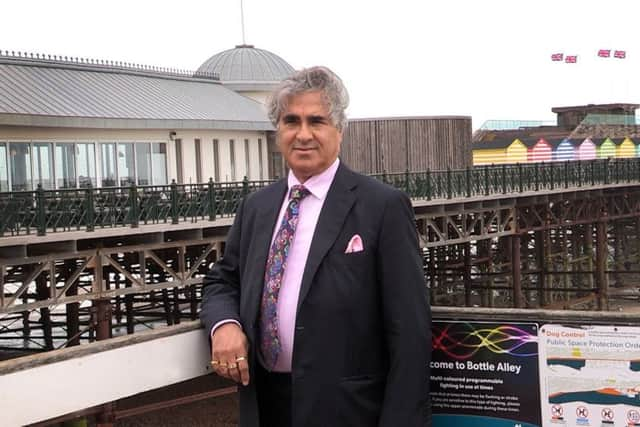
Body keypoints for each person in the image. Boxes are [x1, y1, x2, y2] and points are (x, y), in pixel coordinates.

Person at [200, 66, 431, 426]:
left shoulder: (381, 207)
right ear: (278, 130)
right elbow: (223, 280)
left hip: (346, 410)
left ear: (339, 129)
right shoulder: (257, 207)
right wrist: (225, 325)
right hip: (265, 404)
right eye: (292, 121)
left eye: (316, 121)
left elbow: (410, 330)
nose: (303, 135)